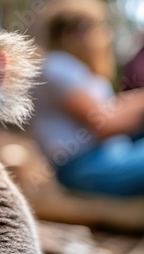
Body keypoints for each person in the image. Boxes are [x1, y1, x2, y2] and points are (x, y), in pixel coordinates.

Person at [30, 0, 144, 197]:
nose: (105, 36)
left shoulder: (75, 69)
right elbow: (104, 124)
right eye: (99, 28)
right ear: (73, 35)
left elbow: (113, 108)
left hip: (106, 157)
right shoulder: (57, 66)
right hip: (86, 168)